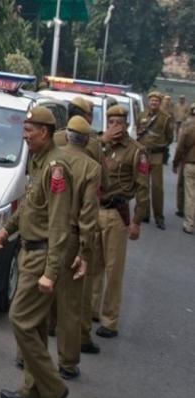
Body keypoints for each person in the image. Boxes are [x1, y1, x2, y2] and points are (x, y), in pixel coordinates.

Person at [0, 106, 72, 398]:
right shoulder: (38, 162)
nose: (24, 136)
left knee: (19, 319)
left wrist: (51, 272)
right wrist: (8, 228)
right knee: (35, 326)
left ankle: (53, 388)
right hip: (28, 250)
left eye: (29, 131)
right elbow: (29, 206)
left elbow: (58, 224)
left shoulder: (56, 168)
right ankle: (30, 390)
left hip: (42, 256)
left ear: (45, 131)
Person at [92, 105, 149, 339]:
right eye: (111, 121)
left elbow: (143, 188)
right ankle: (91, 310)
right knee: (92, 266)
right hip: (96, 210)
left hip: (117, 213)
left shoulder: (137, 151)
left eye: (119, 122)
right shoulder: (99, 145)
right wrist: (102, 140)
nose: (115, 126)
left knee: (113, 270)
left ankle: (110, 320)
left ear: (126, 124)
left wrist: (136, 221)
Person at [50, 116, 99, 379]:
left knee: (39, 295)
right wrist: (85, 252)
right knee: (69, 304)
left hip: (46, 233)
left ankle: (26, 357)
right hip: (70, 238)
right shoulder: (91, 168)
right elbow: (89, 215)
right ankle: (67, 363)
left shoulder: (53, 157)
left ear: (67, 135)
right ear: (88, 140)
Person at [137, 91, 174, 229]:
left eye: (156, 101)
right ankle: (144, 214)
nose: (154, 103)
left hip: (157, 156)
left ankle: (159, 217)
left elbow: (170, 137)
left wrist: (160, 146)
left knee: (157, 187)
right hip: (143, 155)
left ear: (160, 103)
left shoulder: (165, 118)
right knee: (143, 185)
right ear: (149, 101)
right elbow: (138, 131)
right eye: (152, 100)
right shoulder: (141, 115)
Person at [173, 105, 195, 234]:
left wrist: (176, 162)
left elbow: (180, 146)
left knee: (190, 194)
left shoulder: (189, 127)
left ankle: (189, 223)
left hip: (191, 163)